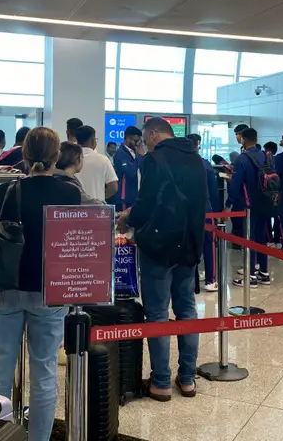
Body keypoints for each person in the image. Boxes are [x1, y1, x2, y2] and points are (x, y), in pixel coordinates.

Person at [0, 127, 80, 441]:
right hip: (50, 291)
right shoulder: (69, 193)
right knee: (44, 372)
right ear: (57, 156)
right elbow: (75, 243)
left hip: (7, 289)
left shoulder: (8, 191)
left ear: (25, 155)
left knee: (0, 370)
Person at [116, 118, 206, 401]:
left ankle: (161, 383)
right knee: (187, 310)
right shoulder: (196, 159)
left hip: (159, 247)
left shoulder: (154, 160)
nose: (145, 145)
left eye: (145, 139)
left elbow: (145, 206)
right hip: (189, 245)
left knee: (157, 313)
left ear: (154, 134)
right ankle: (188, 379)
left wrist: (127, 217)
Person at [228, 127, 271, 287]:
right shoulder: (265, 156)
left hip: (249, 204)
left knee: (249, 238)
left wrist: (228, 204)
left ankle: (251, 275)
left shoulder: (243, 159)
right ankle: (264, 273)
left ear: (244, 140)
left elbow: (236, 185)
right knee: (261, 237)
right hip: (265, 202)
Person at [188, 134, 220, 292]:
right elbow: (213, 191)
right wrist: (218, 211)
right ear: (198, 146)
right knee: (208, 243)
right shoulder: (205, 164)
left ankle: (192, 281)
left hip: (186, 210)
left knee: (190, 244)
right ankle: (210, 280)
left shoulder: (180, 164)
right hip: (205, 210)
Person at [74, 125, 118, 202]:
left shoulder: (71, 160)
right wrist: (101, 196)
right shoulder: (103, 160)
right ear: (93, 141)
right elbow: (114, 187)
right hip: (97, 206)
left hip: (76, 205)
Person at [113, 126, 144, 211]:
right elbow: (130, 172)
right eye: (135, 141)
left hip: (135, 195)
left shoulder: (135, 153)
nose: (137, 144)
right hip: (124, 197)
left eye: (139, 141)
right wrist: (140, 156)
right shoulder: (120, 154)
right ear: (127, 138)